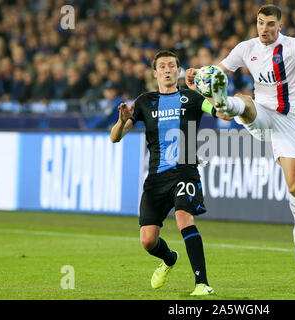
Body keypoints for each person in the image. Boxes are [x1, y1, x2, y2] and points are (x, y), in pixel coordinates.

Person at [186, 4, 295, 268]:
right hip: (262, 112)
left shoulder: (292, 46)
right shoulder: (246, 48)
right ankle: (223, 104)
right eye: (260, 23)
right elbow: (218, 70)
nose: (264, 29)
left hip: (289, 122)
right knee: (243, 102)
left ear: (280, 26)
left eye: (269, 24)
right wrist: (200, 75)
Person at [110, 50, 229, 295]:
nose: (166, 70)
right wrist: (123, 121)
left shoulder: (194, 99)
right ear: (154, 73)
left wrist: (217, 95)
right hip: (156, 177)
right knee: (147, 240)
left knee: (184, 216)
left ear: (178, 71)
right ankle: (169, 258)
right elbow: (115, 138)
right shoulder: (145, 102)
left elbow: (223, 113)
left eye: (171, 66)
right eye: (162, 66)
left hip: (185, 170)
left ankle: (202, 284)